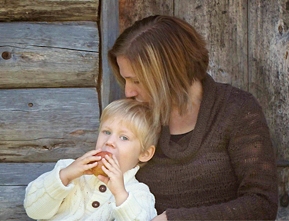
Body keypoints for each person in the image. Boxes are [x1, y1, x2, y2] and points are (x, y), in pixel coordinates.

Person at [108, 15, 279, 220]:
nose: (128, 92)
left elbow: (261, 204)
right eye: (125, 80)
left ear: (169, 73)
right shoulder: (134, 117)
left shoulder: (236, 110)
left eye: (136, 80)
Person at [24, 98, 160, 221]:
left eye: (124, 137)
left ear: (145, 153)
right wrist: (64, 176)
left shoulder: (138, 194)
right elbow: (33, 210)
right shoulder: (68, 169)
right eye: (106, 132)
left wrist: (120, 195)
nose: (110, 141)